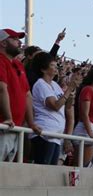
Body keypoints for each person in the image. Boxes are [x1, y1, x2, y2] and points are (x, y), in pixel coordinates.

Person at [30, 52, 79, 165]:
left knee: (51, 172)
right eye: (52, 65)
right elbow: (55, 106)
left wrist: (71, 95)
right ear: (43, 69)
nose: (56, 66)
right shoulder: (40, 84)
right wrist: (69, 89)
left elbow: (66, 106)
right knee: (43, 172)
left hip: (56, 135)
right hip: (45, 133)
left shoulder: (55, 85)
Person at [0, 28, 42, 162]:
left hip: (15, 127)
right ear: (3, 43)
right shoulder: (1, 61)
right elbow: (1, 89)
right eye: (14, 39)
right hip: (3, 125)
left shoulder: (18, 64)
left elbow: (27, 95)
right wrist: (7, 117)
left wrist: (31, 123)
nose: (19, 42)